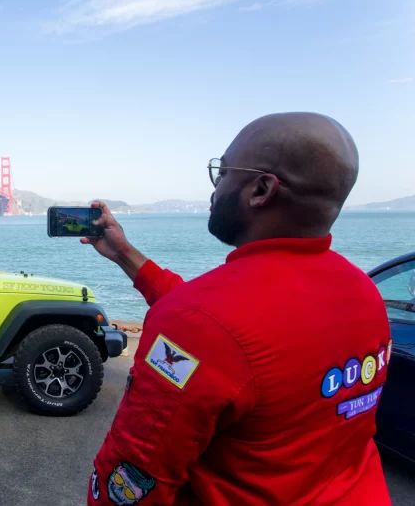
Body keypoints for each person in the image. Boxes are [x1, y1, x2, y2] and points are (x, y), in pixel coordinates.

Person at [85, 113, 391, 505]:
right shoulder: (364, 292)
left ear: (261, 189)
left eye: (223, 171)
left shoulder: (202, 321)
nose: (215, 188)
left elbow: (131, 482)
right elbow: (225, 331)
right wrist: (125, 255)